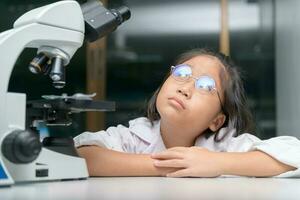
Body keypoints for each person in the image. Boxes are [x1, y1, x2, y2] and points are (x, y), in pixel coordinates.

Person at [74, 48, 300, 178]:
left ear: (216, 120)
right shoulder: (136, 135)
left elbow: (294, 155)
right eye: (182, 73)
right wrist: (175, 165)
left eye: (205, 86)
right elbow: (82, 155)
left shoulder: (221, 146)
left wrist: (217, 163)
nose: (185, 87)